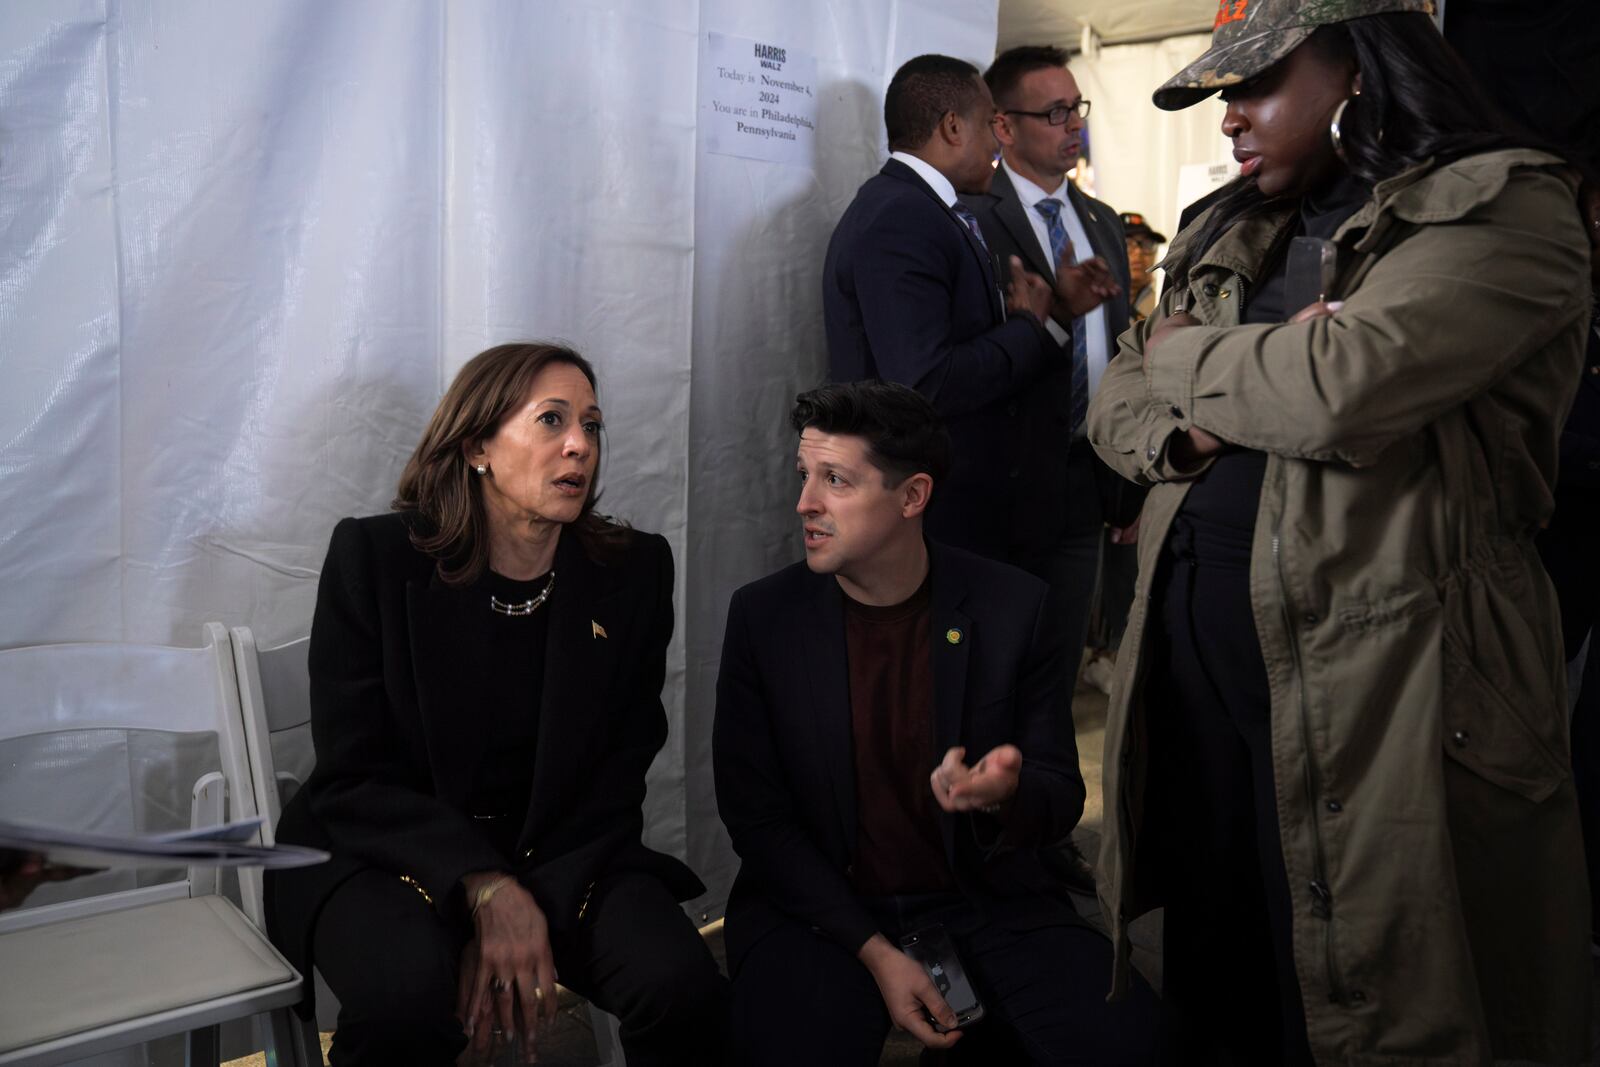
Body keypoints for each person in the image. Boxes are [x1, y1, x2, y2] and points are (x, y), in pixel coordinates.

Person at [1086, 2, 1592, 1063]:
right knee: (1219, 960)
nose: (1230, 117)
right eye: (1224, 93)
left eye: (1256, 84)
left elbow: (1337, 391)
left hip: (1384, 674)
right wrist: (1192, 432)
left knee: (1363, 981)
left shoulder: (1502, 208)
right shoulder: (1233, 223)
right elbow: (1113, 397)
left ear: (1357, 66)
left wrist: (1187, 355)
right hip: (1199, 667)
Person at [267, 343, 727, 1066]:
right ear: (478, 444)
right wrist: (483, 888)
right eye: (552, 419)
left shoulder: (634, 572)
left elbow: (620, 765)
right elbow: (356, 776)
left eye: (592, 424)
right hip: (386, 850)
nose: (580, 443)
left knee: (681, 985)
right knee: (404, 1002)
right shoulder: (378, 559)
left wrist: (526, 889)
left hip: (565, 849)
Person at [713, 380, 1158, 1066]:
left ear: (912, 496)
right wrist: (876, 952)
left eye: (835, 479)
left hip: (986, 903)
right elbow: (758, 820)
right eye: (805, 475)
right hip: (822, 915)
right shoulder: (764, 619)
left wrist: (1003, 796)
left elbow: (1058, 792)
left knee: (1133, 1044)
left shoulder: (1012, 607)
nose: (805, 502)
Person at [822, 54, 1118, 559]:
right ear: (953, 127)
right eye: (988, 125)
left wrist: (1055, 315)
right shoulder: (903, 217)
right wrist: (1028, 324)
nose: (997, 142)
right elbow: (925, 383)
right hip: (933, 514)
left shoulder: (924, 208)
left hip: (963, 508)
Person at [1119, 212, 1166, 324]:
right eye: (1127, 244)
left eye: (1147, 244)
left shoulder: (1166, 307)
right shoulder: (1096, 309)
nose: (1138, 252)